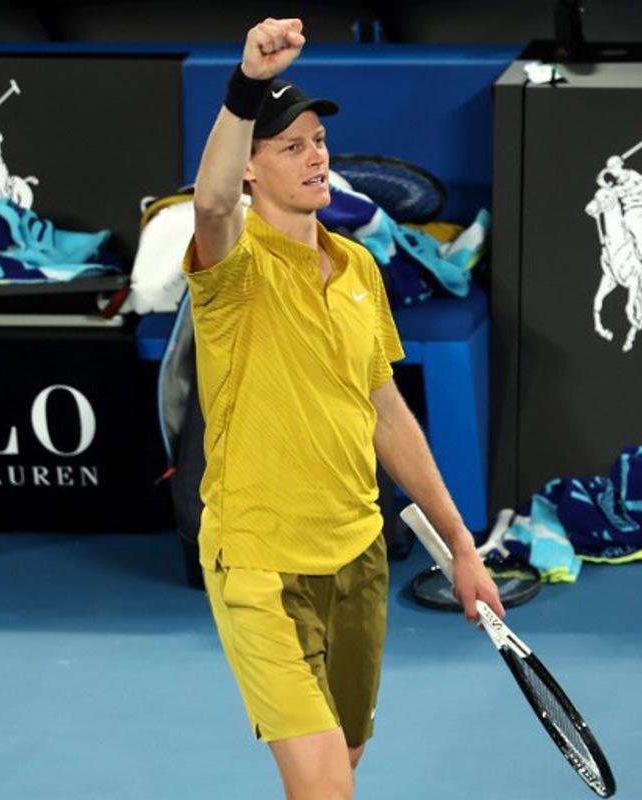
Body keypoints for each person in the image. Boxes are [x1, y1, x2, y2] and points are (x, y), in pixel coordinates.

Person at [185, 17, 505, 800]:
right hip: (260, 559)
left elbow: (385, 410)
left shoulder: (357, 265)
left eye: (318, 139)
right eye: (289, 146)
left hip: (357, 553)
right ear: (253, 172)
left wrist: (462, 548)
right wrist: (246, 83)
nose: (316, 154)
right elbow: (211, 198)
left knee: (346, 759)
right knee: (326, 782)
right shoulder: (233, 271)